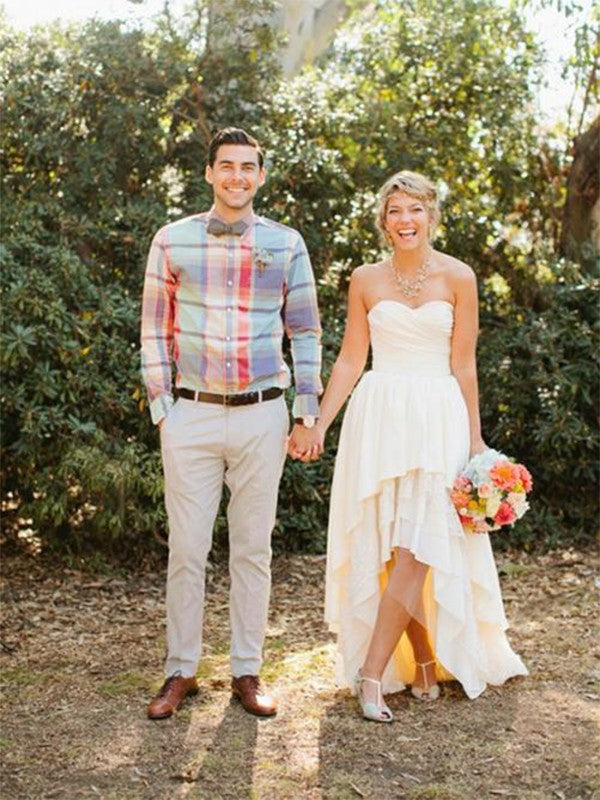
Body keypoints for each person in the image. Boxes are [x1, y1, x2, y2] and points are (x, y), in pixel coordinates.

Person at [303, 171, 528, 721]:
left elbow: (464, 362)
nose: (406, 220)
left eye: (416, 210)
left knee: (417, 545)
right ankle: (423, 659)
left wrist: (474, 439)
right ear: (384, 221)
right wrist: (319, 424)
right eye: (396, 211)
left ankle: (372, 675)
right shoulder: (364, 279)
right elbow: (353, 359)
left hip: (438, 416)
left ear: (432, 216)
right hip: (379, 417)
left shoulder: (460, 277)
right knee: (391, 546)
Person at [141, 127, 323, 720]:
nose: (237, 176)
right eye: (227, 166)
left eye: (248, 167)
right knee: (187, 550)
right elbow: (154, 330)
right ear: (210, 173)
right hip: (190, 414)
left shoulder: (287, 243)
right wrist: (163, 409)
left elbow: (306, 330)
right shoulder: (172, 240)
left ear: (261, 176)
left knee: (252, 548)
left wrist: (305, 410)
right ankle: (181, 670)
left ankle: (247, 669)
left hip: (262, 414)